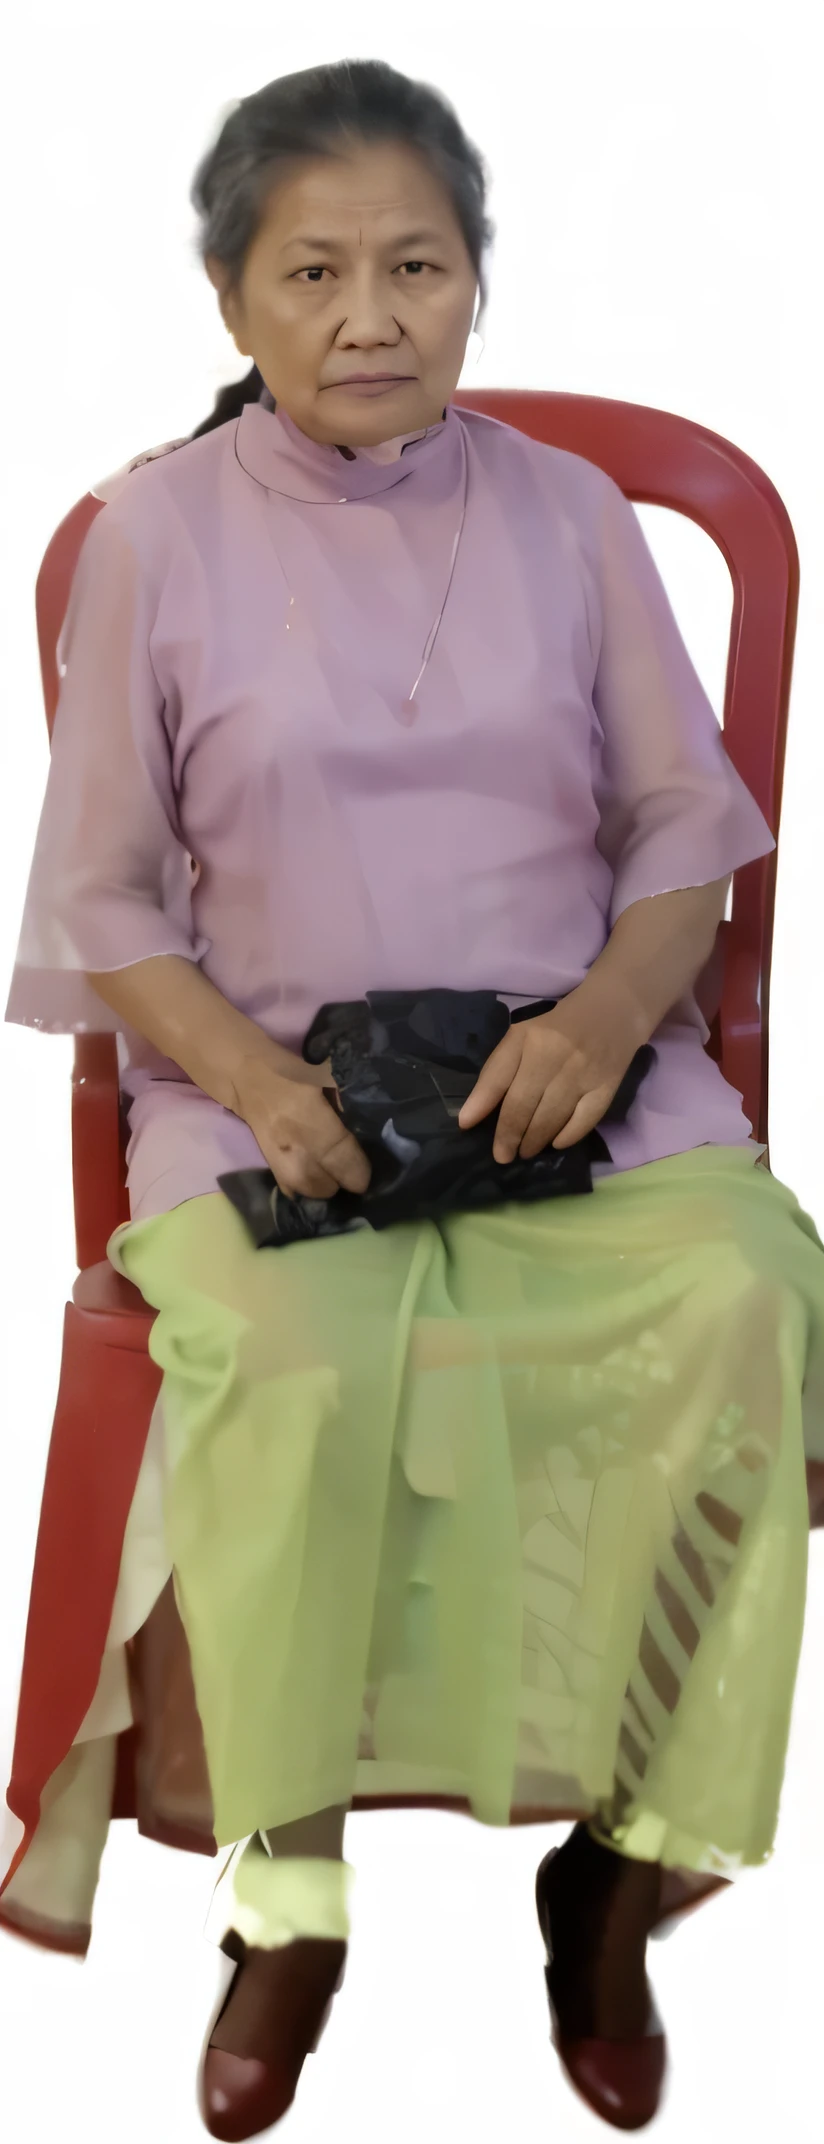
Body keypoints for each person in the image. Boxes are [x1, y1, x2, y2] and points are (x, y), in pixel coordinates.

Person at [4, 55, 824, 2142]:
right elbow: (100, 894)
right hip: (258, 1092)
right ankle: (288, 1897)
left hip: (578, 1080)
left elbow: (675, 831)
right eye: (313, 273)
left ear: (475, 284)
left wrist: (610, 1013)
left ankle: (617, 1877)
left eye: (416, 266)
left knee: (751, 1291)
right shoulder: (155, 534)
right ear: (232, 301)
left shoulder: (562, 515)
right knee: (275, 1346)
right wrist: (259, 1080)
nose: (369, 315)